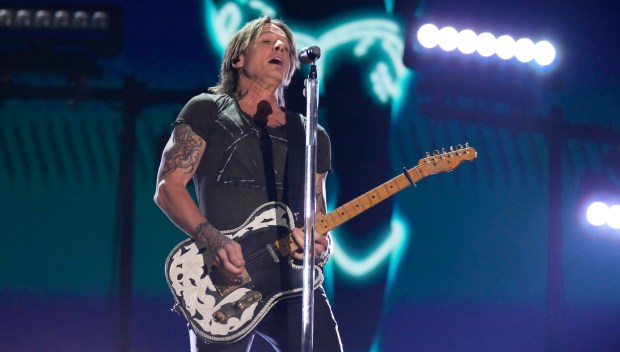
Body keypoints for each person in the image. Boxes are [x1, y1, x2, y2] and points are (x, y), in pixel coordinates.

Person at [154, 16, 343, 352]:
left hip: (292, 284)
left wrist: (322, 247)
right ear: (238, 58)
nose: (281, 47)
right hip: (224, 281)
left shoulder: (311, 135)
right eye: (268, 41)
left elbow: (318, 218)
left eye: (286, 45)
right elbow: (168, 188)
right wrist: (212, 240)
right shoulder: (207, 110)